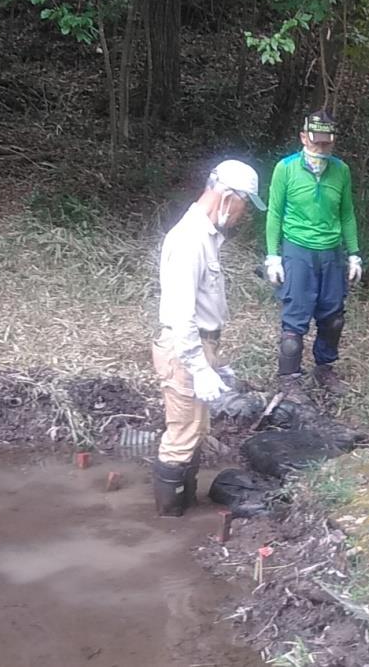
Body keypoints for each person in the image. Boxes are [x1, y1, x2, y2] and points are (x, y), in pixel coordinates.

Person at [151, 159, 266, 516]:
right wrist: (199, 367)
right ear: (227, 197)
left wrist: (213, 364)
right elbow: (180, 316)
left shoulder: (205, 237)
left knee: (196, 428)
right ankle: (169, 520)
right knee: (182, 434)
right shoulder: (189, 241)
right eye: (244, 206)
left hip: (200, 345)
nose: (242, 216)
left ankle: (184, 506)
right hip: (186, 347)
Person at [263, 111, 362, 396]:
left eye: (326, 144)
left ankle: (324, 369)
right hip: (298, 249)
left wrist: (354, 253)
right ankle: (289, 379)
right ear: (303, 137)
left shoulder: (341, 170)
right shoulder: (286, 168)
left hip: (331, 252)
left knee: (333, 317)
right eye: (316, 143)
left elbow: (347, 214)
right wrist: (273, 256)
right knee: (295, 320)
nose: (321, 149)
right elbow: (274, 213)